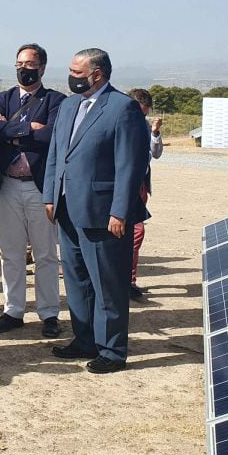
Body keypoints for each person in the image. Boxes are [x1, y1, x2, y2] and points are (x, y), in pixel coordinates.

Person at [44, 49, 149, 374]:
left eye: (77, 72)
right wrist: (50, 195)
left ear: (97, 74)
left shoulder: (122, 108)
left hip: (104, 214)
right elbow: (56, 153)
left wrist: (120, 212)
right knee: (76, 280)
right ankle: (84, 339)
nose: (71, 76)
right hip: (67, 209)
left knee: (107, 285)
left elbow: (129, 164)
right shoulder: (68, 105)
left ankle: (112, 351)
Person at [0, 43, 65, 338]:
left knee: (45, 254)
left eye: (30, 64)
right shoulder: (3, 98)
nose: (23, 69)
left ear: (42, 67)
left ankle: (49, 313)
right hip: (7, 186)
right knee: (11, 253)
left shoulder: (56, 100)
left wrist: (14, 132)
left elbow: (52, 134)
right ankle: (13, 310)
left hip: (38, 187)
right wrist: (29, 129)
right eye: (19, 63)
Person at [128, 89, 164, 301]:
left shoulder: (144, 125)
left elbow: (156, 153)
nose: (141, 117)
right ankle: (124, 281)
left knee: (134, 234)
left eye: (144, 113)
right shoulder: (117, 123)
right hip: (122, 188)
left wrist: (155, 133)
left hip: (139, 188)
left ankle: (128, 280)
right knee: (134, 233)